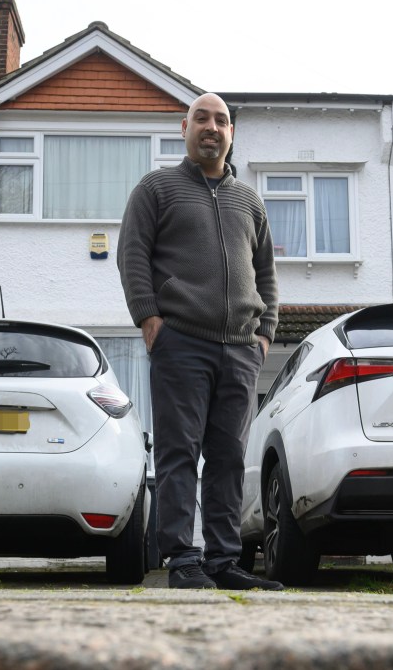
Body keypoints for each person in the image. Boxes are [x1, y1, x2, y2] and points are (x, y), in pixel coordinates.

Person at [117, 93, 282, 590]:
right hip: (181, 342)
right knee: (178, 452)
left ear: (231, 133)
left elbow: (267, 273)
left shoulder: (249, 200)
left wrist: (264, 335)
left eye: (222, 121)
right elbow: (132, 256)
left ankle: (222, 560)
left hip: (239, 349)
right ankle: (181, 558)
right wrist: (150, 320)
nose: (212, 127)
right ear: (183, 127)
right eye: (203, 119)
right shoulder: (157, 189)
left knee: (229, 457)